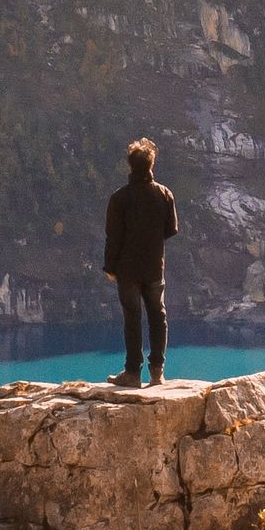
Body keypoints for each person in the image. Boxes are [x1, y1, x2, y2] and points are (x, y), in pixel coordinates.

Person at [102, 137, 178, 387]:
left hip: (128, 269)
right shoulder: (164, 194)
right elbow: (171, 229)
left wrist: (110, 268)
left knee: (132, 318)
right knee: (158, 316)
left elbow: (113, 237)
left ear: (130, 166)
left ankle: (133, 373)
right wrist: (152, 240)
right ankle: (158, 372)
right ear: (151, 165)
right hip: (155, 267)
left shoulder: (119, 198)